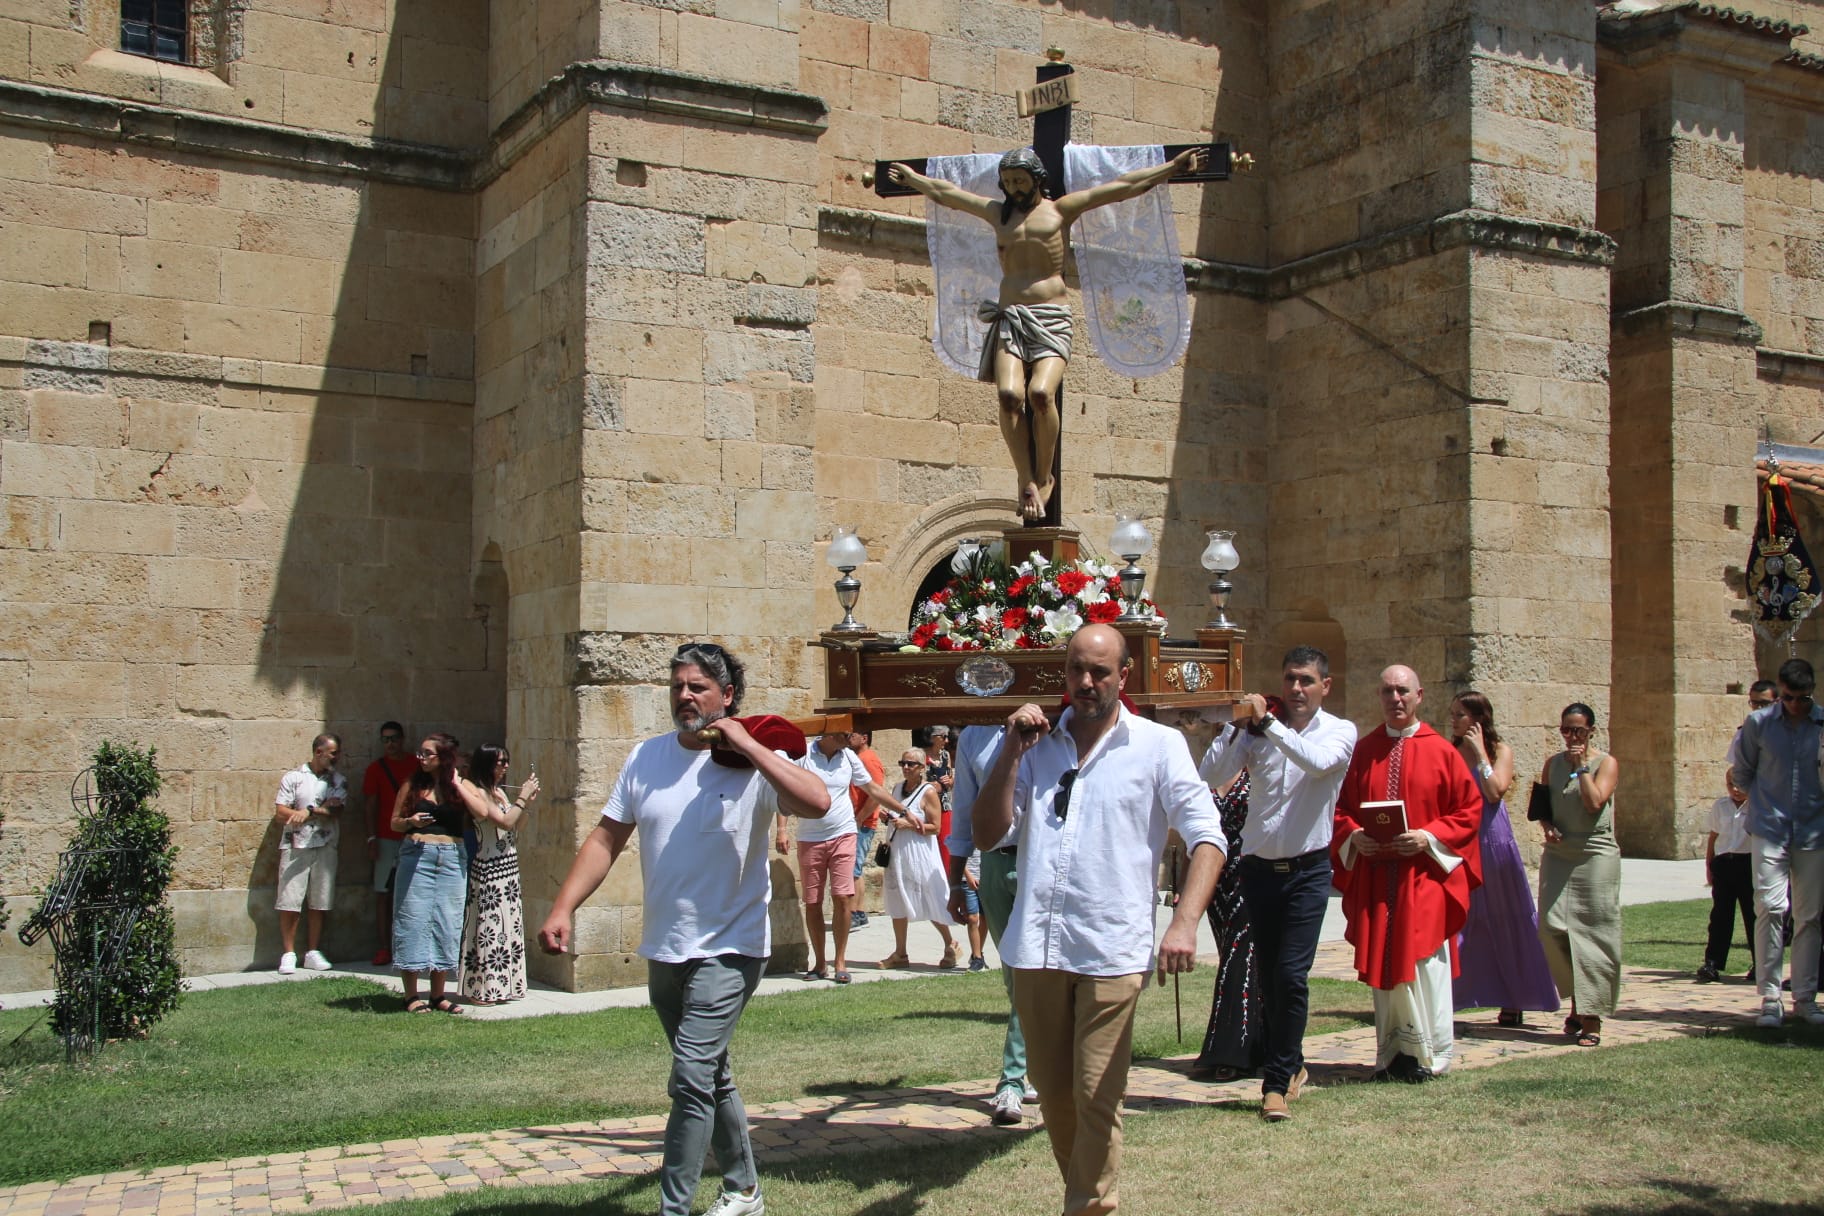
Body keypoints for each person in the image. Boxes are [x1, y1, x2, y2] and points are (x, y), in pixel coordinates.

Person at [539, 642, 828, 1216]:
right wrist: (562, 907)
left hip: (730, 947)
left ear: (727, 695)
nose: (685, 696)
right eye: (678, 686)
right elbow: (605, 839)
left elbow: (816, 802)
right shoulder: (646, 757)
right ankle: (744, 1189)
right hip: (666, 947)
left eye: (698, 686)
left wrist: (747, 741)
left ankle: (673, 1209)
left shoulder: (758, 760)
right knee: (710, 1076)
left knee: (690, 1078)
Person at [973, 624, 1224, 1216]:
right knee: (1057, 1098)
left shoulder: (1158, 746)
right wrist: (1010, 751)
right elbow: (988, 834)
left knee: (1095, 1093)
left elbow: (1208, 838)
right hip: (1036, 945)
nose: (1086, 683)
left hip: (1112, 947)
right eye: (1076, 670)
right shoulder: (1033, 747)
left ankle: (1089, 1207)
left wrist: (1185, 922)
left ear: (1124, 675)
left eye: (1100, 672)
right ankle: (1085, 1196)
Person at [888, 146, 1204, 520]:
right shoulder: (998, 215)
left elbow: (1121, 187)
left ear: (1038, 178)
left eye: (1020, 180)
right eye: (1007, 182)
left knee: (1040, 393)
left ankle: (1044, 476)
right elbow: (949, 195)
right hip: (1011, 318)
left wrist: (1170, 168)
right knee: (1008, 395)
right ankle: (1026, 479)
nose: (1014, 188)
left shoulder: (1060, 211)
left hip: (1052, 318)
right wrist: (914, 180)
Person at [1196, 645, 1355, 1120]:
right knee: (1268, 980)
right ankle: (1295, 1062)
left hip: (1308, 873)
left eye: (1306, 680)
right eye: (1290, 679)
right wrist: (1234, 727)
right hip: (1258, 869)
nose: (1296, 689)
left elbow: (1317, 764)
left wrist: (1269, 726)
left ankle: (1275, 1082)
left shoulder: (1340, 732)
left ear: (1325, 686)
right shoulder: (1260, 733)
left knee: (1290, 976)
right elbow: (1211, 774)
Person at [1332, 665, 1482, 1082]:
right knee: (1386, 960)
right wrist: (1355, 836)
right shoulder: (1366, 750)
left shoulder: (1443, 752)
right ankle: (1393, 1054)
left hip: (1425, 877)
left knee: (1424, 960)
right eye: (1387, 692)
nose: (1394, 699)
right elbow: (1342, 809)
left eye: (1402, 691)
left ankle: (1430, 1055)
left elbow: (1468, 813)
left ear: (1419, 696)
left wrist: (1428, 838)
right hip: (1380, 878)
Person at [1448, 691, 1560, 1026]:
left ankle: (1516, 997)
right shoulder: (1449, 752)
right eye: (1452, 714)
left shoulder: (1501, 751)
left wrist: (1480, 753)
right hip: (1460, 841)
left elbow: (1495, 789)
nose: (1453, 720)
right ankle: (1454, 996)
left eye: (1460, 715)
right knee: (1460, 919)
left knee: (1505, 918)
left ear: (1478, 719)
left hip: (1492, 841)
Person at [945, 722, 1038, 1126]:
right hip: (995, 865)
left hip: (1042, 862)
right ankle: (1033, 1066)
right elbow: (964, 808)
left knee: (1028, 972)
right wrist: (955, 878)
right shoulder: (974, 736)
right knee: (1014, 974)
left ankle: (1012, 1082)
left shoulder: (1056, 724)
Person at [1730, 657, 1824, 1028]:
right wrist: (1763, 802)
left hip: (1814, 828)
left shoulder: (1821, 723)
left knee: (1810, 915)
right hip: (1770, 826)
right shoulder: (1759, 724)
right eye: (1789, 698)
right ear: (1780, 693)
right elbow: (1742, 772)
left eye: (1804, 698)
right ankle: (1770, 996)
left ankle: (1805, 996)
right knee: (1769, 906)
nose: (1797, 706)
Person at [775, 732, 905, 984]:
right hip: (810, 837)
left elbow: (871, 787)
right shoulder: (803, 753)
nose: (854, 736)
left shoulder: (847, 757)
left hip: (844, 833)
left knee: (843, 897)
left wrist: (903, 810)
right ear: (832, 733)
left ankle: (840, 962)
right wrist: (782, 829)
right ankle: (820, 963)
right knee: (812, 901)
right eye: (847, 732)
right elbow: (784, 790)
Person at [1536, 702, 1623, 1046]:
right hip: (1560, 853)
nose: (1571, 737)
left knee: (1593, 931)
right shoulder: (1551, 765)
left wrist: (1582, 768)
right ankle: (1576, 999)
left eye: (1578, 731)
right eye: (1566, 730)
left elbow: (1593, 802)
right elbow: (1541, 807)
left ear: (1591, 732)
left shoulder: (1606, 763)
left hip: (1595, 853)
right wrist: (1547, 826)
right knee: (1550, 925)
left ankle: (1591, 1017)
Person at [391, 732, 489, 1013]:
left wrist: (458, 784)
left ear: (443, 757)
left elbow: (481, 812)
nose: (421, 758)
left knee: (448, 922)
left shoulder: (458, 785)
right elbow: (394, 823)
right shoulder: (413, 784)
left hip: (451, 858)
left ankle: (438, 995)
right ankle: (411, 995)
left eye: (427, 754)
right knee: (412, 920)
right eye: (419, 753)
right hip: (417, 856)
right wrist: (410, 821)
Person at [1188, 769, 1263, 1083]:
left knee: (1238, 958)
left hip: (1250, 872)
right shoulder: (1206, 774)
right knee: (1234, 959)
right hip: (1214, 879)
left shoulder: (1258, 773)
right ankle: (1260, 1046)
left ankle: (1231, 1051)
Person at [460, 744, 539, 1004]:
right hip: (489, 870)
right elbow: (502, 822)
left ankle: (506, 986)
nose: (505, 766)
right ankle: (481, 989)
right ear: (486, 763)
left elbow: (516, 827)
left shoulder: (501, 794)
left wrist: (526, 804)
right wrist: (522, 798)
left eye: (507, 761)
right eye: (499, 762)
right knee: (489, 930)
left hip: (508, 868)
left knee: (509, 928)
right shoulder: (479, 793)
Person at [878, 750, 960, 968]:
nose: (906, 767)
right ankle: (900, 953)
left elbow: (936, 827)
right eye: (903, 763)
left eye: (911, 764)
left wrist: (911, 825)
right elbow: (895, 815)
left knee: (929, 898)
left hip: (919, 854)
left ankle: (951, 943)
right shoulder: (896, 789)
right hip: (897, 851)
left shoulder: (928, 792)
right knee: (896, 900)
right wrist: (887, 818)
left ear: (921, 767)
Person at [273, 733, 346, 974]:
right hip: (296, 845)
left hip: (324, 845)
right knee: (290, 900)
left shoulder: (338, 780)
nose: (336, 757)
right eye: (333, 752)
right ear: (319, 752)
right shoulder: (294, 777)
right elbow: (281, 810)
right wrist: (300, 813)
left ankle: (312, 951)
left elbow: (336, 808)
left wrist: (309, 811)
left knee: (320, 899)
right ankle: (288, 952)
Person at [362, 721, 415, 966]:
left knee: (413, 894)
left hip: (412, 837)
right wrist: (372, 837)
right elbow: (370, 804)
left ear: (402, 739)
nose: (390, 744)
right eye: (386, 740)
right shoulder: (376, 769)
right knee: (383, 893)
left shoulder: (415, 765)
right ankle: (384, 947)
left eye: (394, 738)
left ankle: (408, 946)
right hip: (386, 838)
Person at [1698, 772, 1755, 983]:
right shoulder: (1721, 806)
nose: (1735, 790)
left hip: (1747, 863)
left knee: (1752, 915)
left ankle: (1760, 962)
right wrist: (1709, 864)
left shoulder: (1756, 806)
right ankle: (1713, 962)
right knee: (1721, 915)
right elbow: (1714, 836)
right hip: (1724, 862)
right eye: (1731, 785)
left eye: (1740, 785)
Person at [847, 729, 887, 930]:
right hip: (860, 821)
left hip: (861, 823)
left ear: (864, 738)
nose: (849, 737)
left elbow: (876, 791)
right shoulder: (859, 758)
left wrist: (861, 817)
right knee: (856, 868)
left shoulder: (868, 759)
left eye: (853, 734)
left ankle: (853, 913)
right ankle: (860, 912)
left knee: (852, 869)